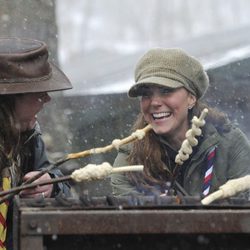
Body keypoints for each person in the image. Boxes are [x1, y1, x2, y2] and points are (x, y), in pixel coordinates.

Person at [111, 48, 250, 198]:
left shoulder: (229, 144)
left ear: (191, 98)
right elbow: (127, 217)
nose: (155, 102)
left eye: (166, 91)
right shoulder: (131, 157)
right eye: (146, 94)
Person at [0, 37, 72, 249]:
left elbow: (58, 184)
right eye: (38, 93)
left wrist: (50, 185)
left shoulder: (28, 137)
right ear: (8, 100)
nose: (47, 98)